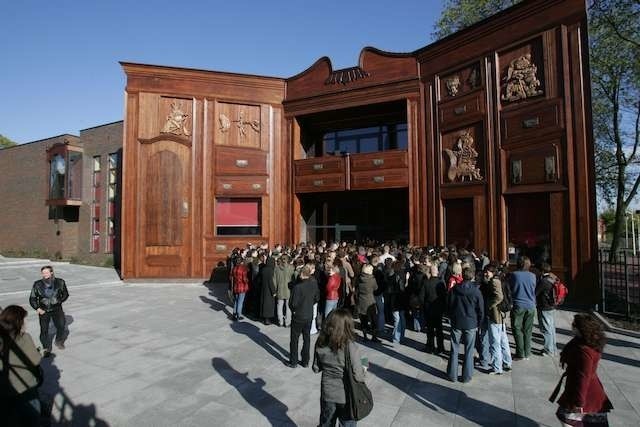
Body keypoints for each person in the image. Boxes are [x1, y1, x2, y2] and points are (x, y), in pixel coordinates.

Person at [553, 313, 613, 426]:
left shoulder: (585, 351)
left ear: (580, 329)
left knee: (567, 417)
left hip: (586, 392)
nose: (572, 327)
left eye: (574, 325)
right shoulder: (584, 341)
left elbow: (583, 377)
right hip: (580, 389)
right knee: (567, 417)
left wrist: (579, 402)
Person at [312, 308, 366, 427]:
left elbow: (316, 368)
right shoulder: (351, 346)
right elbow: (358, 376)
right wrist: (364, 367)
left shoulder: (320, 342)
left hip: (327, 394)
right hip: (346, 396)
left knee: (326, 424)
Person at [0, 305, 43, 427]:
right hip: (25, 389)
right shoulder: (24, 337)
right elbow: (35, 360)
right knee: (31, 419)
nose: (26, 323)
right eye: (25, 320)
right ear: (18, 322)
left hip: (3, 390)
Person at [446, 266, 484, 383]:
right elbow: (481, 309)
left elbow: (449, 304)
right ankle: (467, 376)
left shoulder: (454, 289)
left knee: (454, 348)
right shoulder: (476, 291)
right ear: (472, 276)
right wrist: (479, 322)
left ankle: (452, 374)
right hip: (471, 323)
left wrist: (451, 317)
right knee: (469, 350)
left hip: (457, 321)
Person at [29, 265, 69, 356]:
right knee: (44, 330)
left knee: (61, 326)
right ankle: (46, 348)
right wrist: (38, 308)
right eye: (43, 272)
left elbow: (66, 294)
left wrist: (59, 300)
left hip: (57, 309)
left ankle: (59, 341)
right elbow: (32, 298)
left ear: (51, 272)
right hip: (44, 310)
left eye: (46, 272)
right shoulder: (37, 284)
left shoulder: (60, 282)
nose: (45, 274)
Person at [287, 265, 320, 368]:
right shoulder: (313, 284)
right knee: (307, 338)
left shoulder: (298, 287)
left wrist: (294, 310)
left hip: (298, 315)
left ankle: (293, 361)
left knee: (294, 339)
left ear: (301, 274)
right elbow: (317, 297)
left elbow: (293, 303)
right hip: (308, 314)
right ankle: (305, 361)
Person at [483, 264, 512, 374]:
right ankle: (507, 362)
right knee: (503, 340)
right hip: (500, 316)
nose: (486, 273)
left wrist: (490, 305)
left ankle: (497, 368)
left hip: (495, 315)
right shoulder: (499, 280)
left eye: (488, 271)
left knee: (495, 341)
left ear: (493, 272)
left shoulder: (494, 281)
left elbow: (499, 297)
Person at [509, 256, 537, 360]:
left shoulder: (514, 275)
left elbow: (510, 288)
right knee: (528, 330)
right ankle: (527, 352)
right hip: (531, 305)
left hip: (518, 304)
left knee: (517, 329)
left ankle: (520, 353)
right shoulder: (533, 276)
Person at [422, 264, 446, 354]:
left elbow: (422, 297)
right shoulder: (441, 283)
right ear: (437, 272)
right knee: (439, 329)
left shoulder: (426, 282)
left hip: (429, 309)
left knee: (430, 329)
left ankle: (430, 347)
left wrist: (423, 306)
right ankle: (440, 348)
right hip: (438, 309)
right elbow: (444, 297)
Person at [536, 263, 558, 356]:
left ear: (542, 271)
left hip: (544, 307)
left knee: (546, 329)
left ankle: (548, 350)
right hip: (552, 306)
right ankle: (553, 348)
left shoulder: (543, 281)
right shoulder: (553, 278)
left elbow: (536, 292)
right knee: (551, 328)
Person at [355, 264, 379, 343]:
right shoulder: (372, 279)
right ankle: (374, 336)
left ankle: (365, 336)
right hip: (370, 300)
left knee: (363, 320)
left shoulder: (359, 278)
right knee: (373, 320)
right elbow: (376, 288)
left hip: (361, 300)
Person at [274, 255, 295, 327]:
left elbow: (274, 280)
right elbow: (293, 279)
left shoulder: (276, 268)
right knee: (288, 306)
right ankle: (287, 322)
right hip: (288, 290)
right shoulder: (291, 268)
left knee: (279, 306)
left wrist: (275, 290)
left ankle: (280, 322)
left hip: (279, 289)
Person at [258, 255, 277, 325]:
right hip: (269, 290)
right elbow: (270, 281)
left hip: (264, 288)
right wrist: (274, 291)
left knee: (264, 303)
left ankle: (264, 318)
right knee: (268, 304)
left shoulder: (264, 269)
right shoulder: (270, 270)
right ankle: (267, 319)